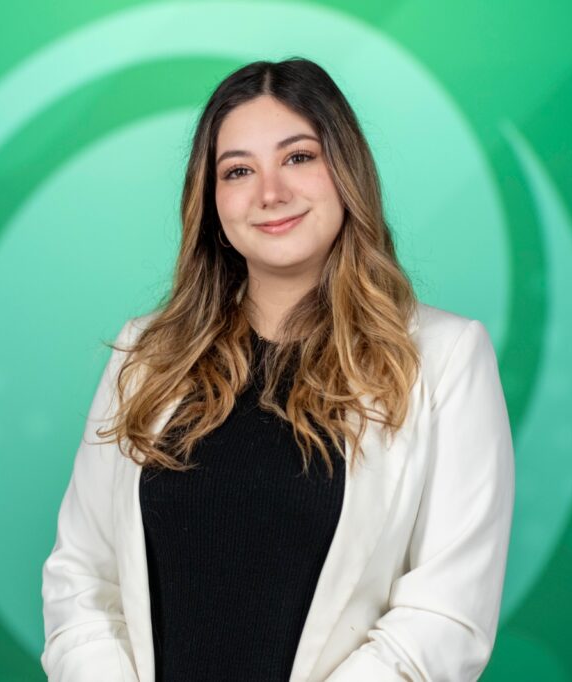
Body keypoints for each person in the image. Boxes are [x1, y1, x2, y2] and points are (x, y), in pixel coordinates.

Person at [40, 57, 515, 682]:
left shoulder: (446, 357)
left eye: (298, 157)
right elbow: (81, 582)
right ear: (211, 201)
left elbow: (446, 619)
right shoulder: (146, 355)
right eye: (239, 170)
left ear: (346, 171)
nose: (271, 193)